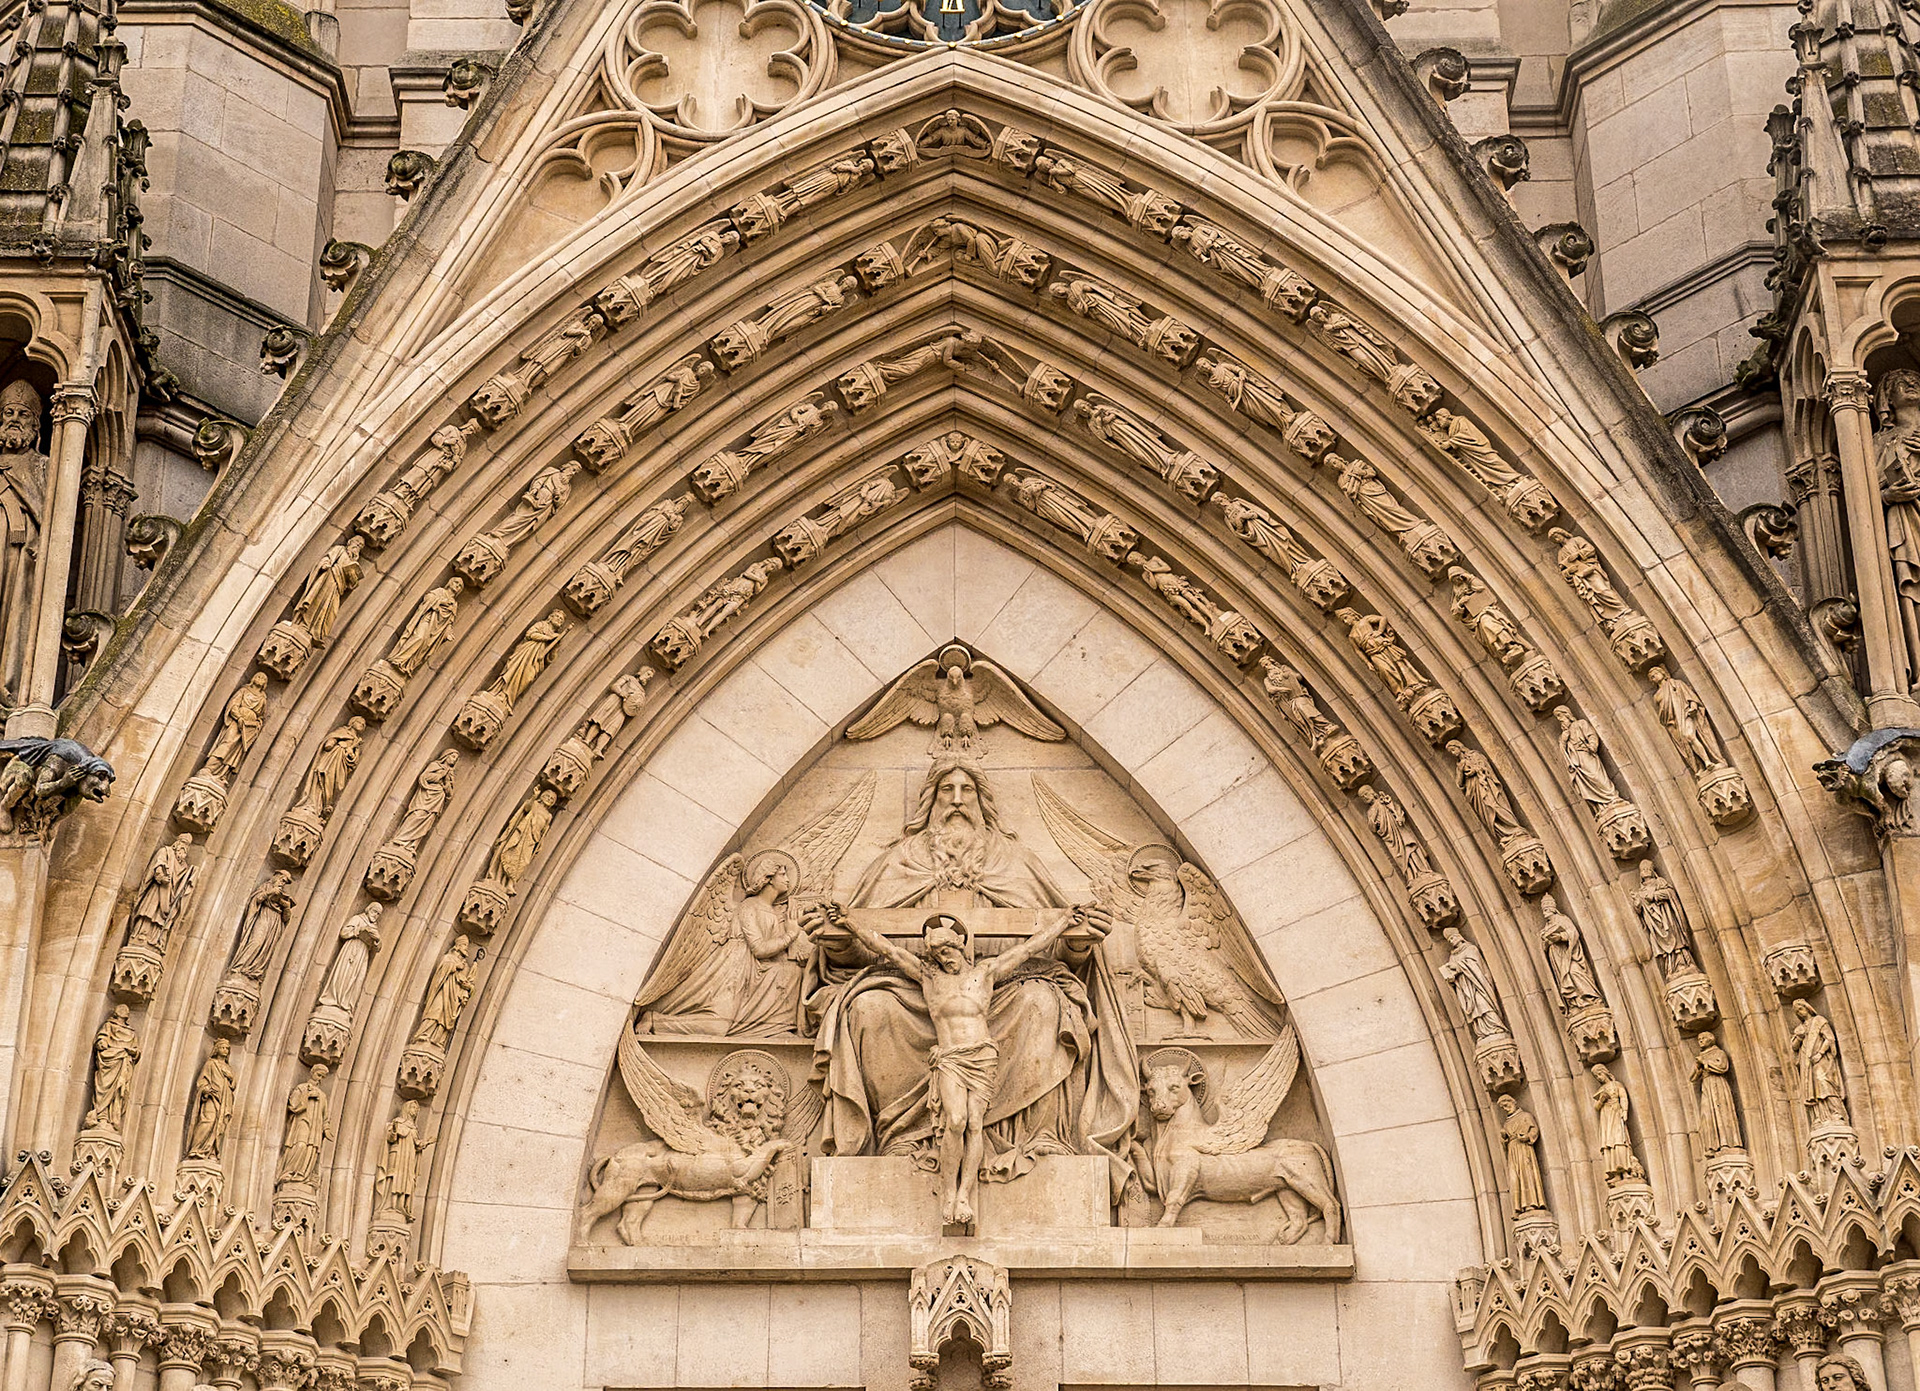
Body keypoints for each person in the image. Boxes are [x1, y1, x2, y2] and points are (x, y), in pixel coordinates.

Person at [818, 905, 1087, 1229]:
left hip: (982, 1055)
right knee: (955, 1121)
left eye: (946, 948)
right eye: (934, 950)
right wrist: (849, 922)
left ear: (960, 944)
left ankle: (963, 1196)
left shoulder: (985, 973)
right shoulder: (929, 977)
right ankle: (948, 1194)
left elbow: (1029, 947)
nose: (941, 955)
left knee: (974, 1124)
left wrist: (1063, 923)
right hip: (950, 1057)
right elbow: (885, 947)